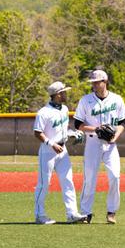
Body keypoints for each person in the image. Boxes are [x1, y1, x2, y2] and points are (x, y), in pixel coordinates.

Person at [74, 69, 125, 224]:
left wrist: (114, 137)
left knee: (115, 176)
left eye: (96, 82)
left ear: (105, 82)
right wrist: (95, 129)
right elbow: (78, 124)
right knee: (89, 178)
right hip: (92, 142)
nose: (94, 84)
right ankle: (86, 213)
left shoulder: (117, 99)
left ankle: (112, 212)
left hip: (111, 145)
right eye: (92, 82)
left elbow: (122, 123)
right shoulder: (85, 100)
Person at [33, 81, 85, 224]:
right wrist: (52, 144)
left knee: (68, 181)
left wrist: (73, 134)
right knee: (44, 184)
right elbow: (37, 133)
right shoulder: (44, 112)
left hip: (63, 151)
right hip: (48, 152)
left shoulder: (65, 109)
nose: (66, 94)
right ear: (57, 95)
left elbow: (61, 130)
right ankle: (39, 215)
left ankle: (72, 214)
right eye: (64, 92)